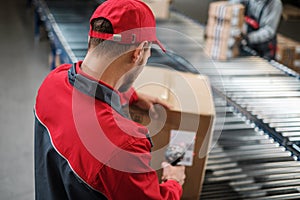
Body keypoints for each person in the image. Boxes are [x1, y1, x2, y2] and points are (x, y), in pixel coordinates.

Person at [34, 0, 186, 199]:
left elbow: (88, 87)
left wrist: (131, 95)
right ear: (138, 53)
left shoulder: (51, 83)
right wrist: (174, 182)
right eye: (149, 52)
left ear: (92, 39)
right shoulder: (123, 146)